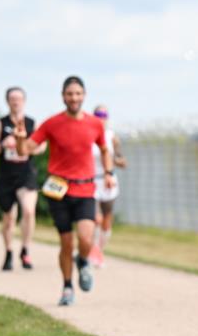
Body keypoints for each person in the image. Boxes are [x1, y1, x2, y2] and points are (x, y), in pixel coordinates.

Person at [14, 76, 115, 306]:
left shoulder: (94, 124)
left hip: (86, 188)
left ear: (84, 95)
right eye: (70, 94)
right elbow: (26, 149)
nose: (74, 98)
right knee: (66, 242)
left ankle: (84, 260)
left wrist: (108, 173)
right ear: (63, 96)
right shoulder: (52, 123)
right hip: (58, 190)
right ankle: (68, 287)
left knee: (86, 238)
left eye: (78, 93)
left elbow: (104, 150)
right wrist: (20, 140)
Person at [0, 86, 45, 271]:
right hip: (6, 176)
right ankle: (9, 252)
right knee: (9, 218)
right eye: (12, 98)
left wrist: (25, 146)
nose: (16, 101)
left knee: (28, 211)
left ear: (24, 101)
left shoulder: (31, 123)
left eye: (19, 98)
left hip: (26, 174)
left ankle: (25, 251)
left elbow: (42, 147)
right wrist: (4, 145)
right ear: (7, 101)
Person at [88, 105, 126, 268]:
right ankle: (92, 250)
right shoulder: (88, 135)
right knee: (96, 218)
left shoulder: (112, 137)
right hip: (91, 180)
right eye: (98, 114)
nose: (100, 117)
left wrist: (112, 161)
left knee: (107, 219)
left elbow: (121, 160)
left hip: (108, 180)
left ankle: (99, 250)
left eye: (103, 114)